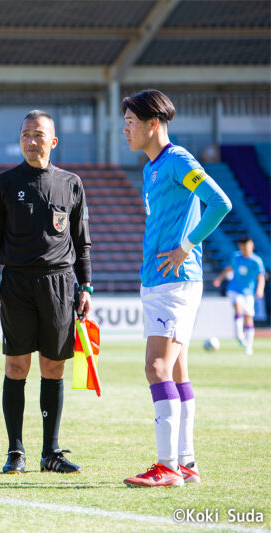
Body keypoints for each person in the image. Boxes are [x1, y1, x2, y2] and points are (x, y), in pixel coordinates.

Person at [120, 89, 231, 487]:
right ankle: (185, 462)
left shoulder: (177, 160)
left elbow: (219, 203)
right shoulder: (152, 167)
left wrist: (185, 248)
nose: (125, 130)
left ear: (154, 124)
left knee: (156, 367)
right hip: (158, 280)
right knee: (178, 371)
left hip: (175, 282)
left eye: (131, 122)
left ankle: (166, 466)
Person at [0, 110, 92, 476]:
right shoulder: (3, 184)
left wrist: (86, 285)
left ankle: (51, 451)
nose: (31, 140)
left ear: (53, 141)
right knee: (16, 366)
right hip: (16, 283)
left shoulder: (71, 184)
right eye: (25, 134)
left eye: (38, 134)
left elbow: (82, 241)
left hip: (60, 283)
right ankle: (15, 450)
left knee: (53, 367)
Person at [213, 237, 265, 355]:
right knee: (238, 307)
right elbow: (229, 268)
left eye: (246, 247)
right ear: (240, 247)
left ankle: (249, 346)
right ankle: (239, 335)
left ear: (251, 246)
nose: (244, 249)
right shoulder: (236, 257)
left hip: (248, 292)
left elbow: (261, 276)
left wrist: (260, 289)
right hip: (234, 289)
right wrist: (219, 278)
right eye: (242, 247)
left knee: (249, 318)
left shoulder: (256, 261)